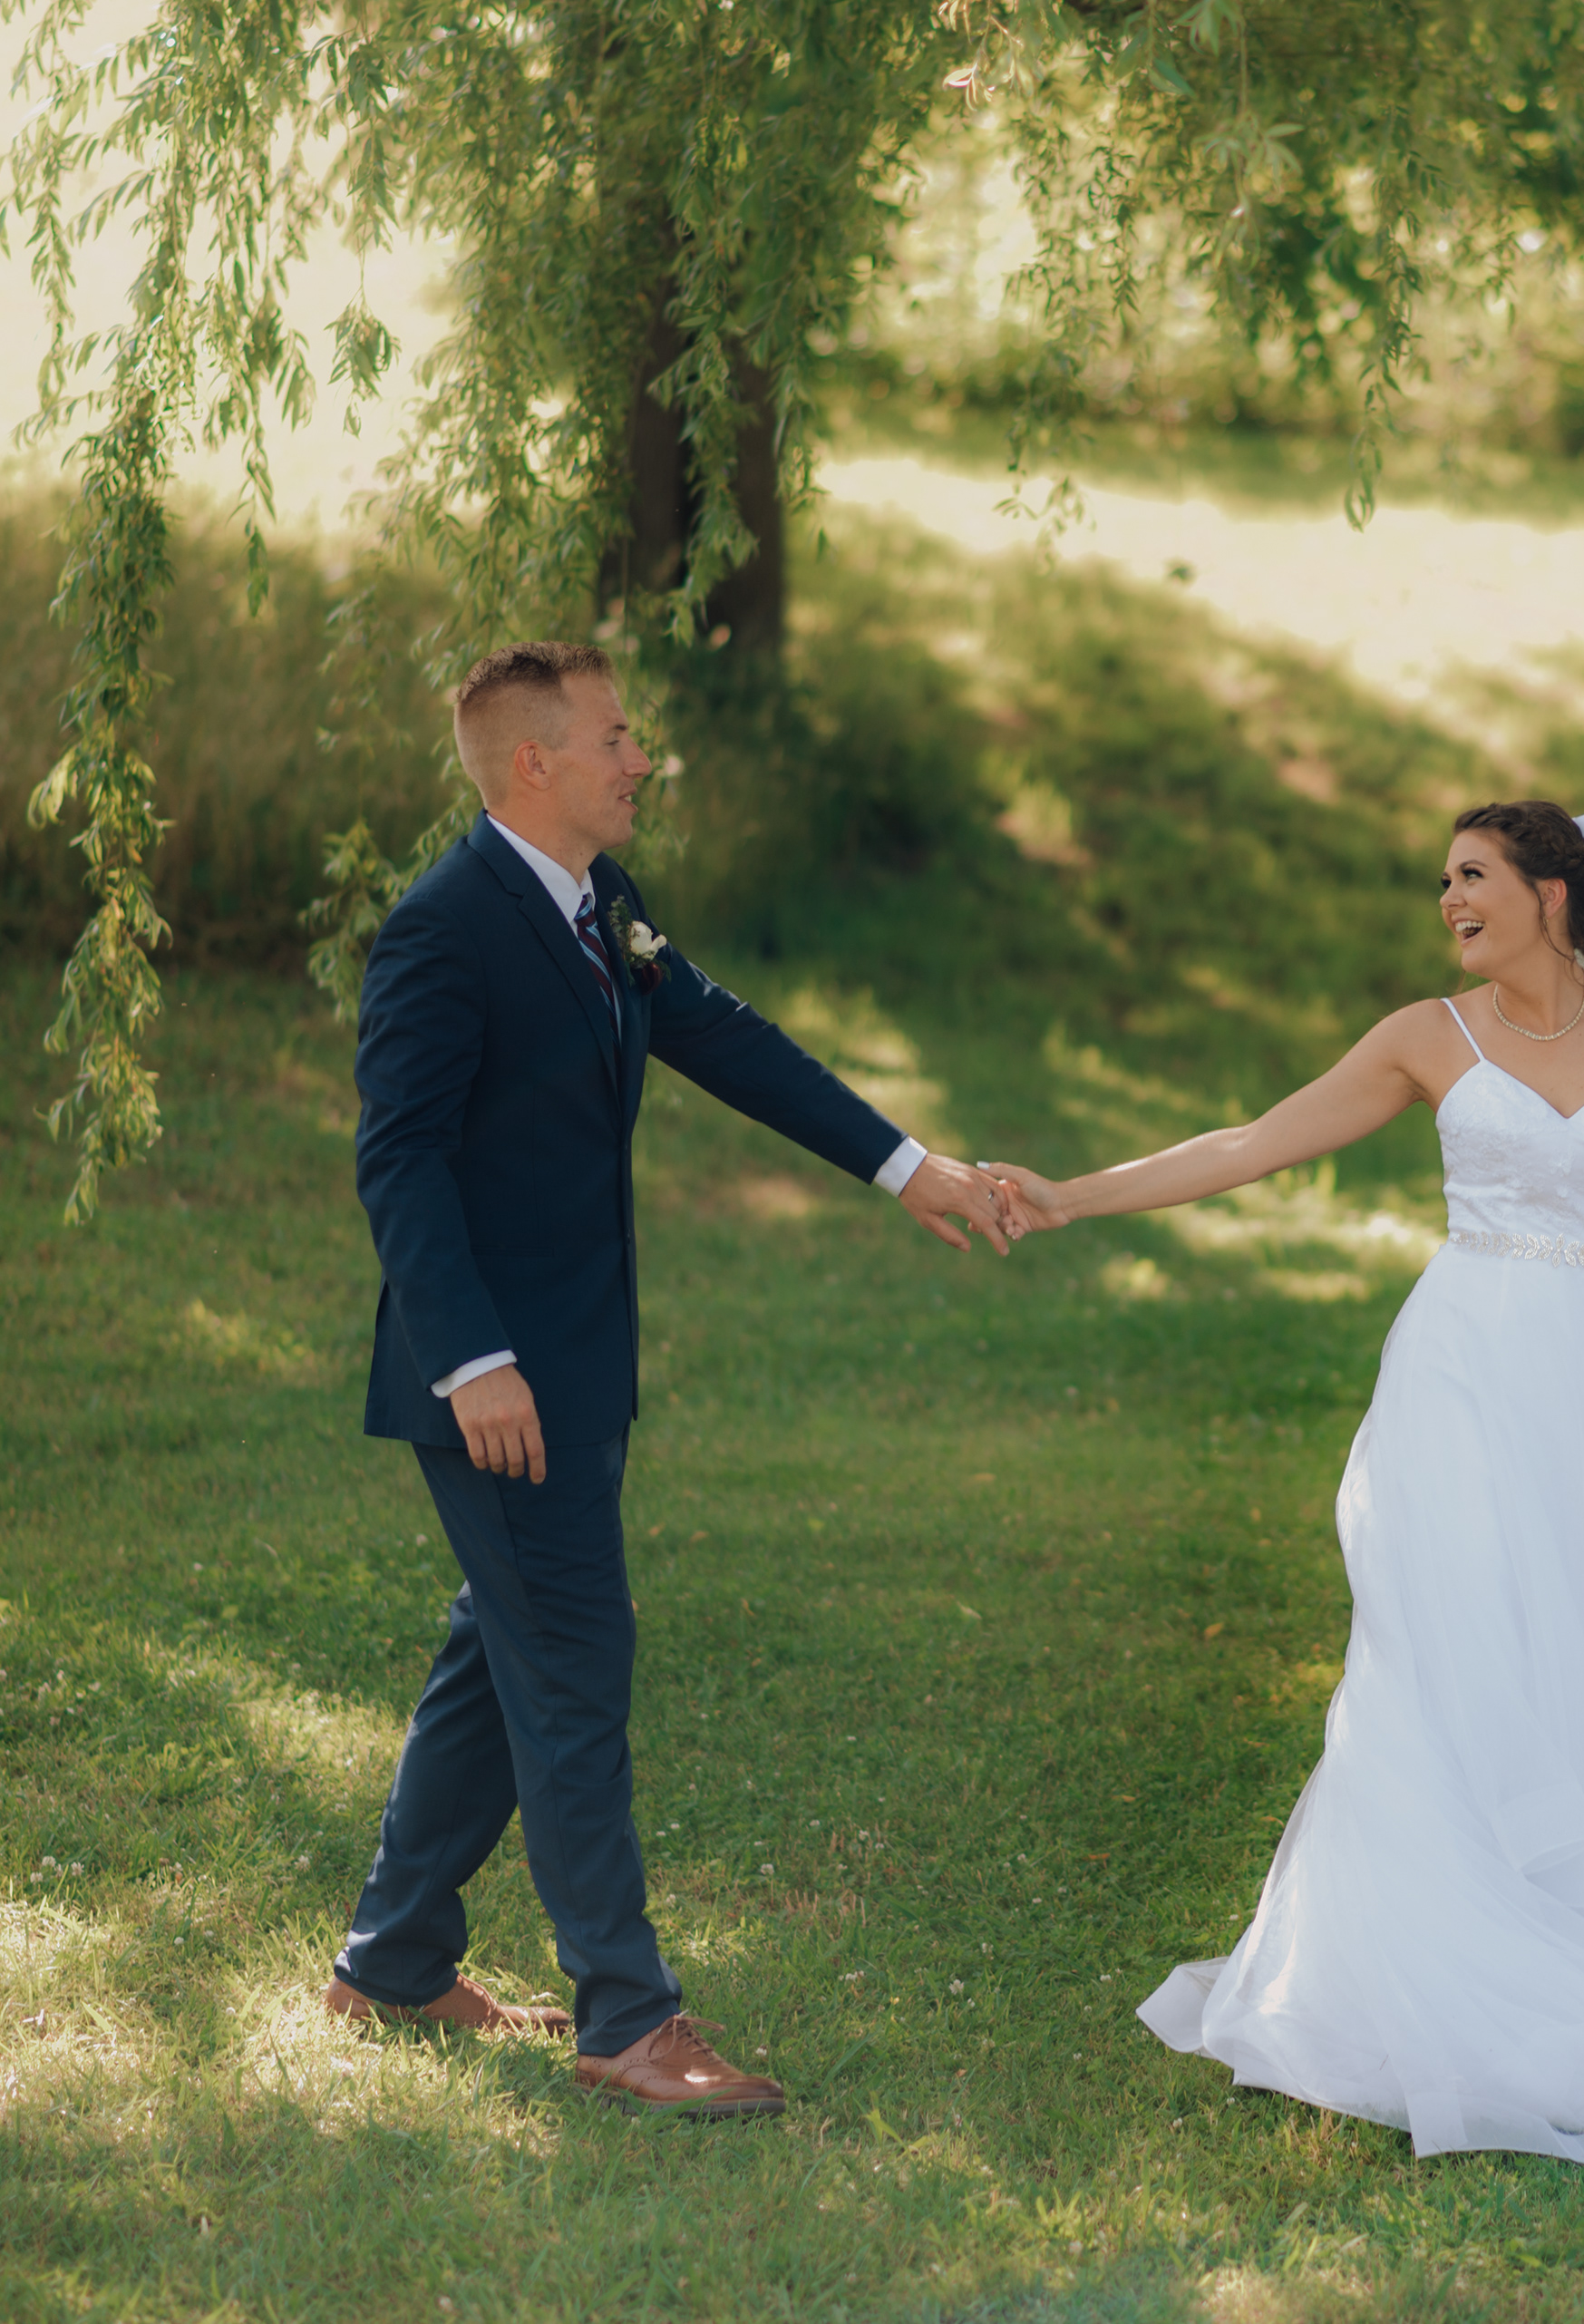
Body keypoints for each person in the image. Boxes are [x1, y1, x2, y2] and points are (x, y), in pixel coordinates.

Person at [986, 802, 1584, 2164]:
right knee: (1445, 1643)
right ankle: (1419, 1952)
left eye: (1473, 876)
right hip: (1459, 1380)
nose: (1449, 899)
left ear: (1554, 892)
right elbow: (1253, 1143)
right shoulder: (1427, 1035)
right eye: (1443, 880)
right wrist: (1068, 1195)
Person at [326, 639, 1024, 2117]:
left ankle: (391, 1959)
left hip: (580, 1364)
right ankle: (629, 2022)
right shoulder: (445, 928)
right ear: (535, 764)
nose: (640, 759)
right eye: (616, 737)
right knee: (572, 1665)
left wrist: (907, 1166)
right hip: (499, 1383)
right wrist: (474, 1363)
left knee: (509, 1650)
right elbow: (400, 1162)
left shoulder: (601, 903)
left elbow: (718, 1033)